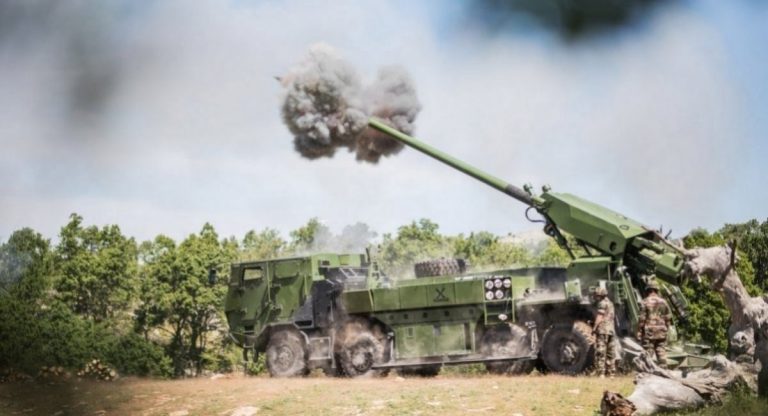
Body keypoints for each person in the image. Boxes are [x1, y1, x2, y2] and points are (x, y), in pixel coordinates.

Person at [637, 279, 672, 368]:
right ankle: (664, 370)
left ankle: (647, 371)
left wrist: (639, 331)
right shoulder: (664, 302)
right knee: (661, 352)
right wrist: (666, 329)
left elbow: (642, 319)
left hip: (649, 332)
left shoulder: (644, 302)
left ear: (648, 290)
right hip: (662, 331)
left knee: (648, 353)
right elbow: (668, 318)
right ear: (657, 290)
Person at [592, 286, 616, 378]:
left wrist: (594, 328)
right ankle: (611, 373)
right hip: (611, 330)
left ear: (600, 295)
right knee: (611, 353)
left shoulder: (602, 303)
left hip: (603, 330)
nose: (596, 297)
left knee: (601, 351)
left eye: (597, 295)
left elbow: (600, 317)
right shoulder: (611, 303)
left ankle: (601, 373)